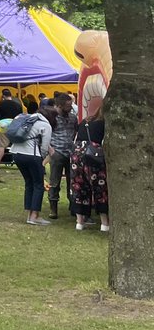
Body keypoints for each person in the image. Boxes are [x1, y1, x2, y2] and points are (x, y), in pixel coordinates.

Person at [0, 97, 52, 226]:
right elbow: (45, 147)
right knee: (38, 184)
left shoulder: (26, 120)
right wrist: (42, 158)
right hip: (32, 155)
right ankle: (34, 216)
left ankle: (29, 214)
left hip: (16, 153)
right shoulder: (45, 125)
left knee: (29, 183)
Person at [70, 75, 109, 233]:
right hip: (93, 156)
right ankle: (104, 223)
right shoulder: (104, 124)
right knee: (100, 188)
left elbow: (76, 137)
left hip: (76, 154)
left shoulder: (85, 121)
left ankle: (80, 222)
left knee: (79, 186)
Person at [46, 93, 77, 220]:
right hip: (57, 152)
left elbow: (76, 131)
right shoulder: (51, 118)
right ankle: (53, 208)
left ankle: (73, 206)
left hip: (70, 152)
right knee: (54, 181)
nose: (71, 107)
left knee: (73, 181)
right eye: (68, 105)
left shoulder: (73, 117)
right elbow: (44, 133)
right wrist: (49, 148)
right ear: (59, 105)